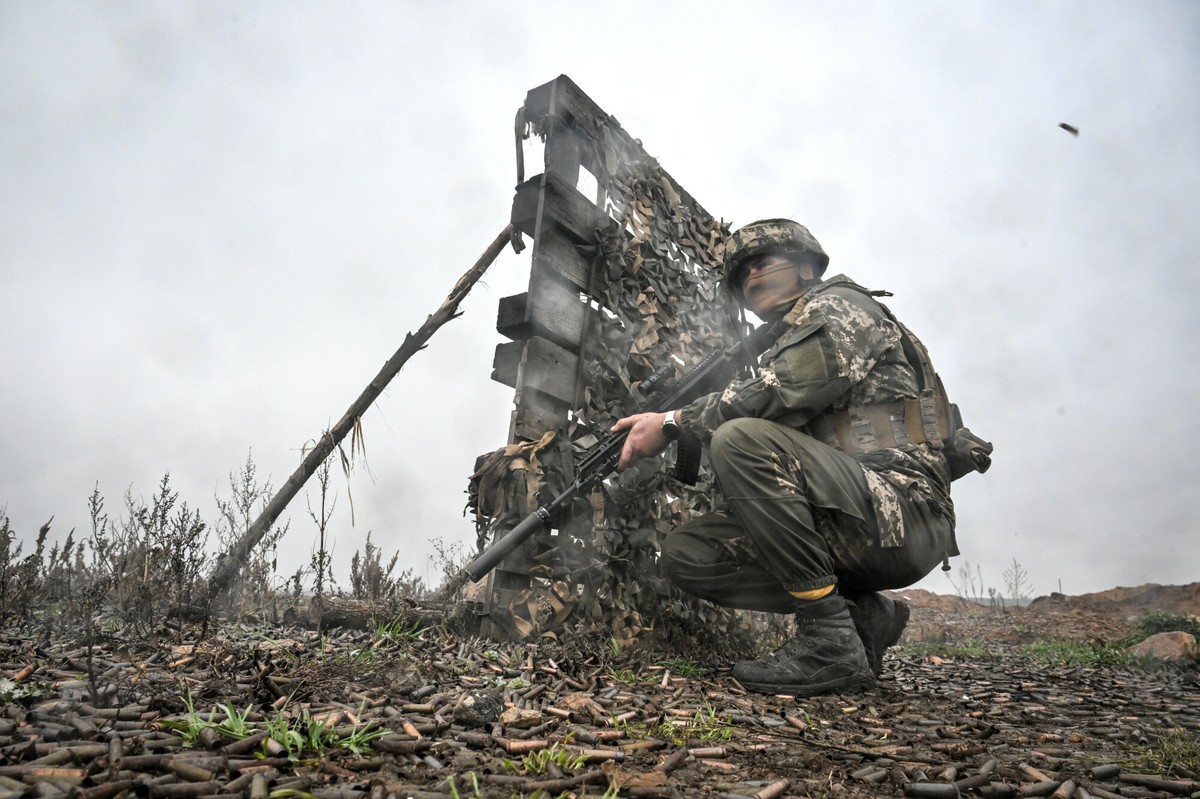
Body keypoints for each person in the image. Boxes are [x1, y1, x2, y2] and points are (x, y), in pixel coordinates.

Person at [612, 218, 982, 697]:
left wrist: (671, 422)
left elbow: (786, 389)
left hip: (903, 512)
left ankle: (828, 641)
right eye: (741, 273)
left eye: (763, 262)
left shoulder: (840, 307)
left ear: (807, 264)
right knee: (690, 555)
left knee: (740, 438)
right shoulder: (790, 336)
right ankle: (861, 618)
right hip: (854, 515)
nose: (751, 278)